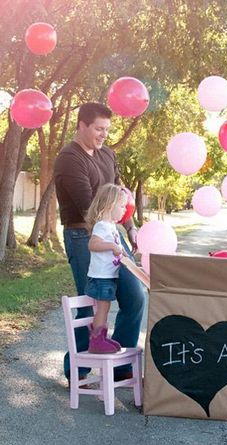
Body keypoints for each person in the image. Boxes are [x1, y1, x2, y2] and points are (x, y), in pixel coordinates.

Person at [54, 102, 146, 381]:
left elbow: (121, 198)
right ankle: (78, 367)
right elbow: (90, 207)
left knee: (135, 296)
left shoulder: (107, 154)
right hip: (84, 235)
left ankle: (119, 366)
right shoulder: (69, 158)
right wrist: (109, 234)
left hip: (114, 234)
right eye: (98, 129)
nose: (103, 134)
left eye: (106, 129)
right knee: (88, 301)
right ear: (82, 126)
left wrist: (129, 228)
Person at [85, 184, 128, 353]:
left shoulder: (111, 227)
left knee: (106, 307)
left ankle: (102, 338)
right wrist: (111, 246)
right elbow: (93, 244)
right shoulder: (102, 225)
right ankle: (96, 341)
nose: (125, 210)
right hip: (101, 277)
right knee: (103, 308)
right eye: (122, 206)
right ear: (110, 205)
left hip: (108, 276)